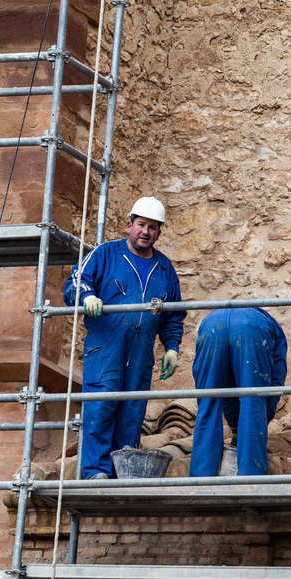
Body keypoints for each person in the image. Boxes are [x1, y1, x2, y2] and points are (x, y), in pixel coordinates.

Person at [64, 196, 186, 480]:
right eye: (141, 224)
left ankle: (123, 470)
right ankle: (96, 472)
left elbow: (173, 315)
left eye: (153, 227)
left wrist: (171, 348)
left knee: (132, 409)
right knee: (101, 405)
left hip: (141, 352)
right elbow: (75, 281)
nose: (146, 231)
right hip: (106, 348)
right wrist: (88, 295)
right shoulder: (106, 254)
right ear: (129, 225)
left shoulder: (165, 268)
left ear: (159, 232)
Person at [190, 307, 287, 477]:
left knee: (209, 401)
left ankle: (201, 477)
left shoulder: (212, 318)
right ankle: (251, 476)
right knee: (253, 401)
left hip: (212, 324)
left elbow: (210, 383)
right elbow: (274, 385)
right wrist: (263, 418)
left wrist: (234, 425)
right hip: (252, 327)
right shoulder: (274, 329)